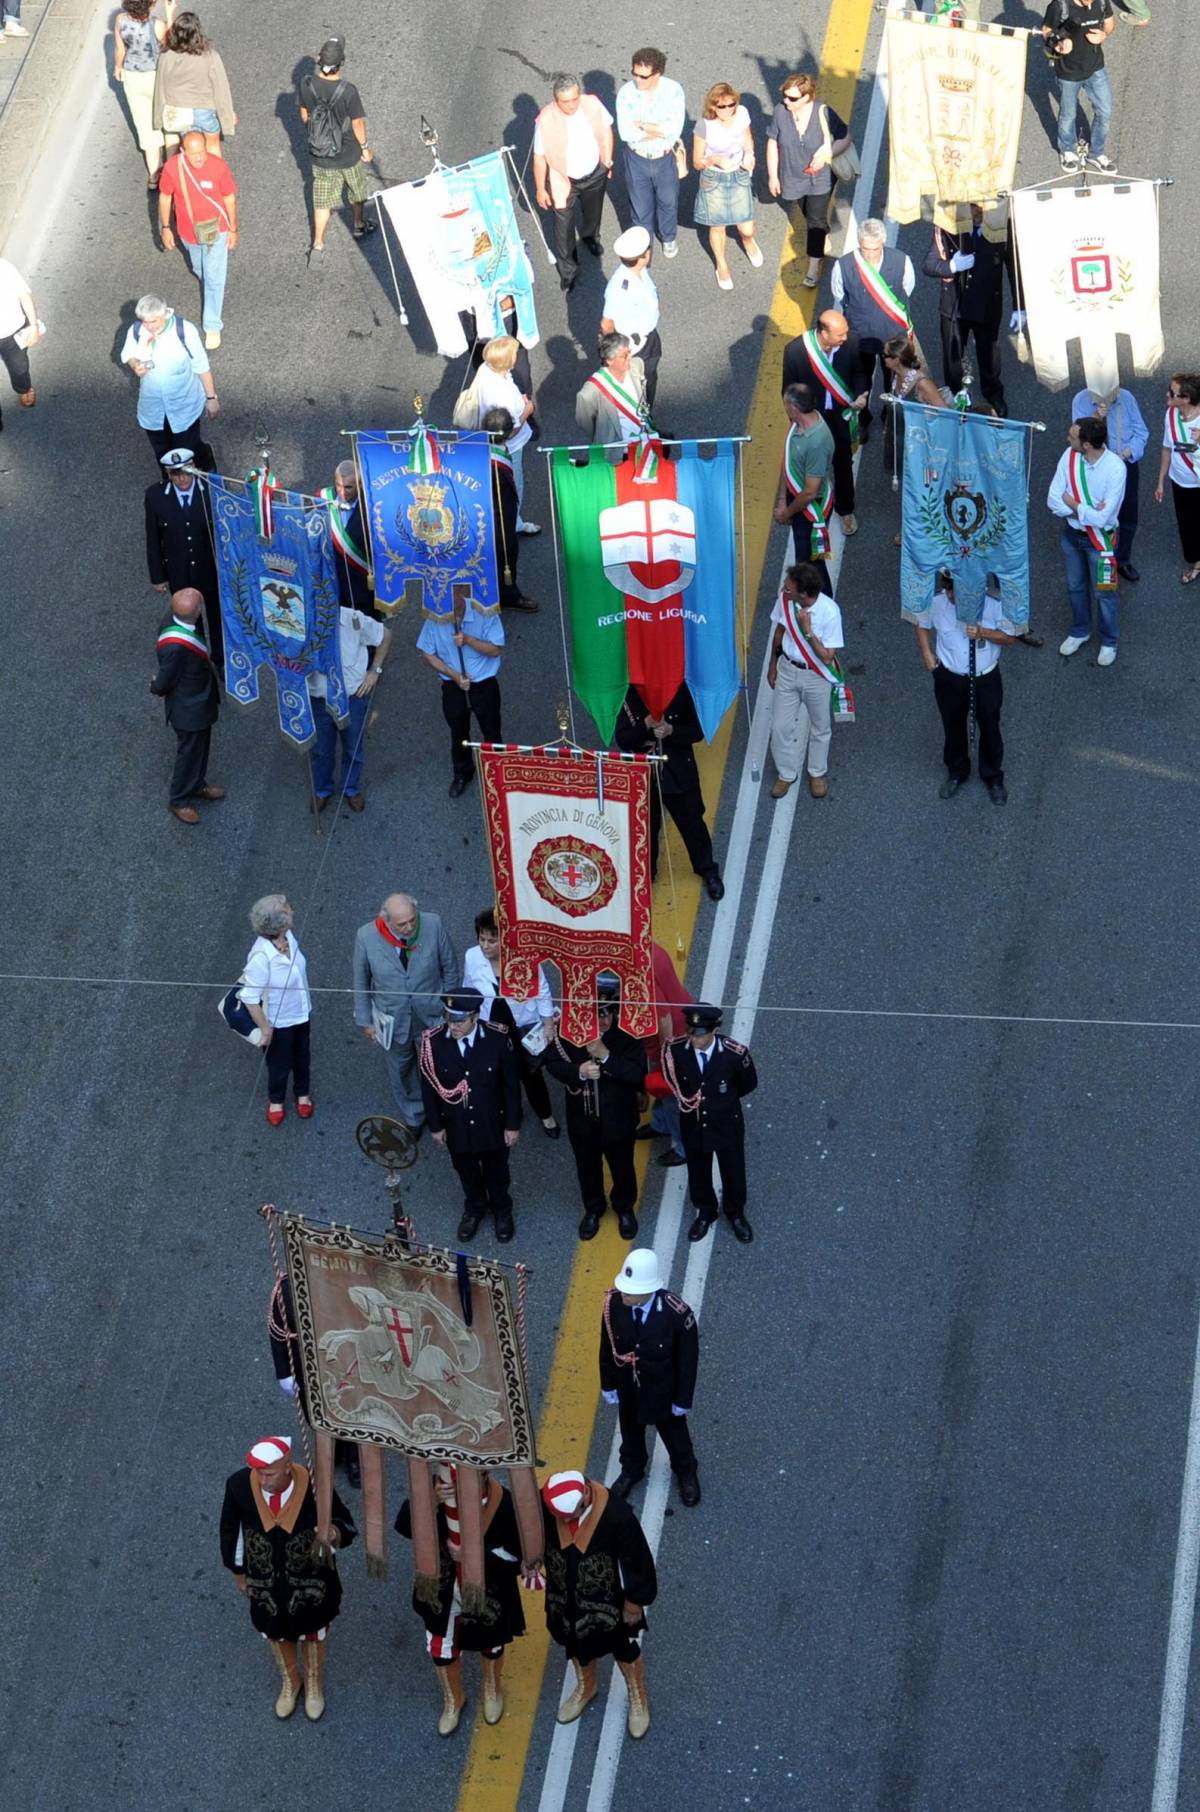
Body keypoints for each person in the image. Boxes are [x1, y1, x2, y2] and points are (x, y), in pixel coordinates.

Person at [219, 1435, 356, 1722]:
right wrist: (238, 1572)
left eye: (268, 1473)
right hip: (265, 1583)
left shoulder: (316, 1487)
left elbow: (345, 1523)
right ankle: (291, 1682)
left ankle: (314, 1683)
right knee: (274, 1631)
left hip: (311, 1582)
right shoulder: (239, 1486)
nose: (261, 1479)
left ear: (287, 1468)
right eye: (257, 1472)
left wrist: (333, 1532)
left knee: (314, 1631)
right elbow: (232, 1532)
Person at [395, 1466, 526, 1735]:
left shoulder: (504, 1504)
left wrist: (474, 1557)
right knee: (441, 1649)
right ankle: (453, 1700)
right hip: (442, 1590)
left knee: (491, 1643)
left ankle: (492, 1689)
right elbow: (404, 1526)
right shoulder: (434, 1490)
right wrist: (431, 1501)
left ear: (484, 1475)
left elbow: (516, 1558)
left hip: (488, 1593)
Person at [540, 1469, 656, 1738]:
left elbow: (637, 1562)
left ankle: (637, 1696)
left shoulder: (618, 1516)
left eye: (567, 1516)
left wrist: (634, 1603)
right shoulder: (550, 1505)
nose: (562, 1521)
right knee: (576, 1643)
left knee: (623, 1648)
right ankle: (587, 1686)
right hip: (565, 1598)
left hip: (608, 1602)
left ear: (585, 1496)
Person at [545, 973, 647, 1241]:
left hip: (618, 1120)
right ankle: (593, 1209)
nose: (601, 1020)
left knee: (623, 1167)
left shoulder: (628, 1034)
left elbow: (637, 1074)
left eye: (607, 1013)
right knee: (587, 1167)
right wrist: (578, 1071)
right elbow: (553, 1063)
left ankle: (624, 1207)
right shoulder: (570, 1030)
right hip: (583, 1119)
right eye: (596, 1013)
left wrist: (606, 1056)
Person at [419, 987, 522, 1242]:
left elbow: (511, 1085)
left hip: (491, 1123)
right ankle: (475, 1208)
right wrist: (435, 1126)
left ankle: (501, 1210)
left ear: (475, 1017)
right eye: (448, 1018)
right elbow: (429, 1088)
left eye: (460, 1021)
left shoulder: (497, 1040)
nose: (452, 1026)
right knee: (466, 1171)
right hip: (457, 1126)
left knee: (497, 1171)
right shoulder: (432, 1043)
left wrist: (512, 1124)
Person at [602, 1249, 700, 1507]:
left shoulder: (676, 1315)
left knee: (675, 1436)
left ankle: (686, 1471)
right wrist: (608, 1383)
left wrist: (682, 1399)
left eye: (630, 1291)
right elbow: (607, 1345)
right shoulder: (613, 1304)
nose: (623, 1293)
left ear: (649, 1290)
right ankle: (632, 1469)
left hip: (663, 1391)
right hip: (629, 1389)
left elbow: (688, 1361)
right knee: (630, 1433)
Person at [352, 893, 457, 1130]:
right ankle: (415, 1115)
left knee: (440, 1064)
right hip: (393, 1019)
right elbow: (361, 982)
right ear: (387, 921)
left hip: (432, 1012)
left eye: (413, 920)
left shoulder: (433, 924)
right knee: (401, 1069)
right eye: (402, 924)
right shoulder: (366, 937)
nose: (410, 927)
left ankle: (444, 1109)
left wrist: (450, 1007)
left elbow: (450, 967)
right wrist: (366, 1021)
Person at [613, 682, 724, 899]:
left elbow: (697, 731)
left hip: (678, 770)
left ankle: (707, 870)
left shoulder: (680, 690)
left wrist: (672, 730)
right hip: (643, 775)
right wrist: (645, 724)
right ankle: (647, 873)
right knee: (645, 827)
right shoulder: (628, 695)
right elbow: (623, 739)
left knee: (692, 824)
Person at [914, 571, 1014, 804]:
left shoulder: (994, 603)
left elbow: (1009, 638)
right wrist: (927, 654)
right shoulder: (938, 602)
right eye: (948, 589)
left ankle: (993, 777)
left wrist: (983, 632)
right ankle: (957, 771)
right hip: (950, 677)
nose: (951, 596)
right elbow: (920, 620)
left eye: (956, 591)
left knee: (990, 726)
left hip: (985, 677)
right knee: (952, 725)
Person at [663, 1002, 757, 1245]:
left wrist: (719, 1103)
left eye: (700, 1033)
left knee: (733, 1171)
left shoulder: (734, 1055)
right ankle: (705, 1211)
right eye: (690, 1031)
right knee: (698, 1171)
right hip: (694, 1123)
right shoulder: (676, 1051)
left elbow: (747, 1084)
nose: (693, 1037)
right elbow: (671, 1079)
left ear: (715, 1029)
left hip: (726, 1123)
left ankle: (735, 1213)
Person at [463, 906, 560, 1139]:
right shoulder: (472, 956)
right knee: (498, 1072)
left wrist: (548, 1024)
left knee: (531, 1073)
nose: (485, 946)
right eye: (482, 939)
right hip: (491, 1022)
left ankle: (545, 1114)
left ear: (504, 940)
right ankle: (510, 1112)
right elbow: (469, 989)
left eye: (492, 940)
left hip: (523, 1024)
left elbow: (542, 990)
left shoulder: (525, 956)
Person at [922, 207, 1024, 418]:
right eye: (974, 213)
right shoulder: (949, 228)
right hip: (956, 305)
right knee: (953, 358)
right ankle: (956, 392)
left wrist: (1019, 306)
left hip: (987, 303)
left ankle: (993, 392)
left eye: (982, 213)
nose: (978, 218)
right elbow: (929, 265)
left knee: (989, 354)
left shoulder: (1001, 228)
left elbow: (1014, 268)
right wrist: (951, 265)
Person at [1048, 414, 1126, 663]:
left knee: (1105, 591)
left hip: (1102, 541)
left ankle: (1109, 640)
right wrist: (1084, 510)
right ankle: (1080, 631)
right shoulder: (1068, 456)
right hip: (1072, 535)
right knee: (1075, 587)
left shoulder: (1116, 468)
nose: (1067, 438)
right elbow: (1052, 499)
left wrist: (1072, 503)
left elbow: (1104, 520)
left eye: (1072, 436)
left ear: (1087, 445)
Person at [830, 219, 916, 442]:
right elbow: (841, 296)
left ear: (883, 243)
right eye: (865, 249)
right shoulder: (844, 265)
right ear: (859, 244)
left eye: (875, 249)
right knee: (860, 381)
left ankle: (890, 416)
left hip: (893, 336)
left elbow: (907, 288)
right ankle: (863, 420)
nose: (869, 254)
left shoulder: (902, 261)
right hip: (860, 336)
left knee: (894, 380)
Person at [781, 311, 866, 532]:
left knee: (843, 461)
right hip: (812, 419)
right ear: (823, 333)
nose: (845, 338)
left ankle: (846, 509)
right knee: (805, 464)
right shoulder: (795, 351)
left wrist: (860, 395)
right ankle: (800, 504)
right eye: (840, 334)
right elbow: (787, 391)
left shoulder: (852, 344)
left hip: (841, 415)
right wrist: (797, 421)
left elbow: (859, 373)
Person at [767, 561, 846, 801]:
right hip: (788, 670)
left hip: (816, 676)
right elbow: (779, 631)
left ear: (803, 593)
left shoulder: (830, 611)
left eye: (788, 587)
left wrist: (807, 630)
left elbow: (828, 656)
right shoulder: (785, 601)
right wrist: (773, 664)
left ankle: (817, 772)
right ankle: (786, 773)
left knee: (820, 727)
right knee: (780, 727)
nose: (784, 589)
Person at [765, 72, 851, 290]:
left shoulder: (823, 112)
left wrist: (826, 155)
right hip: (791, 175)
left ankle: (813, 265)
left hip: (820, 177)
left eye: (792, 98)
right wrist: (773, 176)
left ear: (807, 97)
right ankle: (824, 232)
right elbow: (772, 143)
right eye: (785, 96)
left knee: (814, 221)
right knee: (808, 214)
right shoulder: (780, 113)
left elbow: (846, 138)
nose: (786, 101)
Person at [416, 590, 505, 799]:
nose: (446, 602)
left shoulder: (485, 611)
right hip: (453, 684)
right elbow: (427, 653)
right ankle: (463, 772)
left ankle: (498, 772)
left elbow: (496, 649)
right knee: (458, 731)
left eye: (451, 595)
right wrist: (453, 675)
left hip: (483, 683)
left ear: (461, 593)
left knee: (491, 730)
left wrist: (468, 640)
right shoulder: (434, 617)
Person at [532, 75, 614, 294]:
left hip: (595, 173)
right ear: (555, 100)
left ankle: (590, 237)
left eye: (574, 99)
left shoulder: (592, 104)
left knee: (593, 212)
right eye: (565, 101)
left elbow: (606, 130)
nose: (571, 105)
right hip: (563, 181)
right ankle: (569, 271)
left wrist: (607, 160)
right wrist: (541, 188)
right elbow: (539, 158)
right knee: (563, 230)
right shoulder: (546, 120)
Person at [157, 129, 237, 350]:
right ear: (183, 151)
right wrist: (165, 227)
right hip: (188, 231)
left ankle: (212, 325)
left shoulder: (218, 166)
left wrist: (232, 228)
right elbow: (165, 198)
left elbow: (229, 197)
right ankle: (212, 284)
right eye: (194, 154)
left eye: (202, 151)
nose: (199, 158)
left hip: (216, 229)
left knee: (213, 277)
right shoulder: (173, 168)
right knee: (199, 269)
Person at [297, 35, 377, 255]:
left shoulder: (306, 83)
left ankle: (318, 243)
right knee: (357, 189)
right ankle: (359, 225)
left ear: (319, 61)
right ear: (342, 63)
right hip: (348, 152)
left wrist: (317, 133)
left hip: (320, 155)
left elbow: (304, 114)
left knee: (322, 200)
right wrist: (365, 148)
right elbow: (358, 123)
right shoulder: (348, 90)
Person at [307, 602, 390, 813]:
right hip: (319, 699)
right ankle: (322, 789)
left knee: (353, 747)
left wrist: (375, 671)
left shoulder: (353, 618)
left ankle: (350, 788)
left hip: (353, 698)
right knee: (320, 749)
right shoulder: (301, 622)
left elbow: (385, 635)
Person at [149, 585, 222, 823]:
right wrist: (157, 688)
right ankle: (178, 799)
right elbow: (165, 679)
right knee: (188, 752)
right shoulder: (176, 647)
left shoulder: (175, 621)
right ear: (196, 612)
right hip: (189, 707)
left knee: (201, 747)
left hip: (199, 701)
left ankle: (197, 784)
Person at [237, 895, 313, 1124]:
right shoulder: (261, 957)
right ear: (279, 923)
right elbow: (250, 997)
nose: (293, 911)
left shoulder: (287, 936)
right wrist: (265, 1028)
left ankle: (303, 1094)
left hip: (301, 1011)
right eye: (288, 909)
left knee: (302, 1056)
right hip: (278, 1020)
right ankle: (276, 1099)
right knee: (278, 1064)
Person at [144, 445, 221, 665]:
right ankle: (199, 658)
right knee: (189, 618)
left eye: (186, 472)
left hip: (210, 567)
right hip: (179, 571)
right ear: (168, 475)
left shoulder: (211, 489)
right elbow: (153, 537)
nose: (182, 479)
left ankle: (220, 659)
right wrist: (157, 576)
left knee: (216, 617)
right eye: (175, 474)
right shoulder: (156, 496)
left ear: (194, 467)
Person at [122, 293, 218, 467]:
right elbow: (129, 354)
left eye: (154, 321)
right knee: (163, 453)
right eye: (145, 321)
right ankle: (171, 484)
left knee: (187, 448)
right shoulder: (136, 331)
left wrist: (212, 399)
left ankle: (205, 459)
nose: (149, 326)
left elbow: (202, 366)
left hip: (183, 405)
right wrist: (135, 364)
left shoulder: (185, 331)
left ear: (165, 314)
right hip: (153, 407)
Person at [1071, 383, 1148, 581]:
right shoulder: (1081, 400)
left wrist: (1127, 452)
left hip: (1124, 463)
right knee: (1099, 512)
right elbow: (1079, 439)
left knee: (1128, 514)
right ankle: (1097, 558)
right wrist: (1096, 418)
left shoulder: (1127, 398)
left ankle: (1122, 560)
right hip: (1096, 468)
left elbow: (1141, 432)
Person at [692, 81, 763, 291]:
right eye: (721, 106)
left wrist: (750, 155)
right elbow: (697, 162)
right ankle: (721, 264)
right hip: (714, 178)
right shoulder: (704, 126)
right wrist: (713, 160)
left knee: (746, 227)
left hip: (739, 173)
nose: (727, 109)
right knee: (718, 226)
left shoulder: (741, 114)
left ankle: (748, 241)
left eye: (731, 104)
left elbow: (748, 139)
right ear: (712, 106)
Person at [615, 47, 686, 257]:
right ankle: (644, 247)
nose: (638, 80)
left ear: (658, 74)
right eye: (634, 74)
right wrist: (657, 129)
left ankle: (668, 236)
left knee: (668, 201)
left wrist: (642, 126)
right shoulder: (626, 93)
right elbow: (626, 133)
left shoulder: (673, 91)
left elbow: (673, 131)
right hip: (636, 159)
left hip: (665, 159)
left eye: (644, 76)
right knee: (640, 208)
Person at [772, 380, 836, 586]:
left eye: (786, 405)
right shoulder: (798, 426)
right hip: (797, 499)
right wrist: (783, 498)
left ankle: (822, 605)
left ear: (794, 407)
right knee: (806, 562)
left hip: (810, 509)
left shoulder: (816, 442)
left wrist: (786, 513)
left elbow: (810, 492)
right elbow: (788, 461)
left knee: (809, 567)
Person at [635, 940, 692, 1168]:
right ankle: (661, 1124)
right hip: (679, 1022)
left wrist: (665, 1056)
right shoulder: (648, 945)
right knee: (661, 1088)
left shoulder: (637, 970)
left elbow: (663, 1017)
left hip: (670, 1038)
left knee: (670, 1094)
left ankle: (681, 1146)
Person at [473, 337, 538, 534]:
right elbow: (512, 430)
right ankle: (513, 523)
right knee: (515, 483)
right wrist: (528, 409)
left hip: (488, 438)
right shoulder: (504, 395)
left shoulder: (486, 369)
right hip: (511, 445)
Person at [1043, 1, 1116, 172]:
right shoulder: (1059, 6)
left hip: (1096, 68)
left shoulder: (1101, 2)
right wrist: (1058, 44)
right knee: (1068, 114)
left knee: (1105, 111)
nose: (1091, 3)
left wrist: (1104, 35)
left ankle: (1097, 153)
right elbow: (1046, 31)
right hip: (1069, 72)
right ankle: (1067, 150)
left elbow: (1110, 23)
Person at [152, 11, 235, 157]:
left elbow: (160, 87)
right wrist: (227, 117)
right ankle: (214, 177)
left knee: (188, 150)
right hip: (204, 110)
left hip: (179, 110)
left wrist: (158, 118)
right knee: (212, 145)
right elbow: (221, 89)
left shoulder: (166, 55)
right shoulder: (210, 56)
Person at [482, 408, 540, 615]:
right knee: (506, 551)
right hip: (498, 523)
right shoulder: (498, 464)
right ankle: (508, 594)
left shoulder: (480, 452)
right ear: (508, 433)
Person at [113, 0, 176, 188]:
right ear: (151, 4)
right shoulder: (157, 25)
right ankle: (171, 173)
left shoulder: (120, 20)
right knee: (168, 122)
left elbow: (120, 48)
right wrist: (170, 15)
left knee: (145, 128)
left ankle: (154, 175)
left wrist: (118, 67)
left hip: (133, 77)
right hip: (156, 77)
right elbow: (170, 45)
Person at [600, 226, 662, 407]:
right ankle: (643, 426)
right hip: (635, 346)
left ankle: (648, 419)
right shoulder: (619, 287)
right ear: (645, 255)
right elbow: (606, 324)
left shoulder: (639, 271)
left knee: (650, 379)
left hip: (648, 336)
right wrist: (618, 352)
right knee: (638, 388)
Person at [881, 336, 945, 494]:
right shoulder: (896, 375)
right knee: (910, 482)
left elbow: (945, 413)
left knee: (922, 485)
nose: (882, 358)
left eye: (886, 355)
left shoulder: (922, 384)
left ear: (897, 359)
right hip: (900, 437)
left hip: (919, 444)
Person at [1155, 374, 1200, 585]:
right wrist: (1161, 481)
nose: (1167, 394)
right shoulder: (1170, 415)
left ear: (1186, 398)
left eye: (1172, 393)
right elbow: (1167, 448)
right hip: (1180, 482)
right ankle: (1196, 562)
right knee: (1187, 525)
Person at [575, 331, 651, 444]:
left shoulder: (636, 365)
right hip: (618, 451)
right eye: (624, 356)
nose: (630, 357)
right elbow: (585, 421)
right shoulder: (590, 392)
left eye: (629, 352)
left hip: (646, 442)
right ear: (609, 360)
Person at [321, 458, 374, 613]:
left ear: (360, 485)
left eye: (348, 487)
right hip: (331, 588)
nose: (342, 492)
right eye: (338, 485)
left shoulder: (371, 507)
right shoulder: (322, 500)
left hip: (362, 592)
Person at [0, 255, 41, 425]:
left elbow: (24, 296)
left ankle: (23, 387)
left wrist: (33, 326)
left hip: (12, 332)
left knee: (19, 369)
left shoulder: (4, 268)